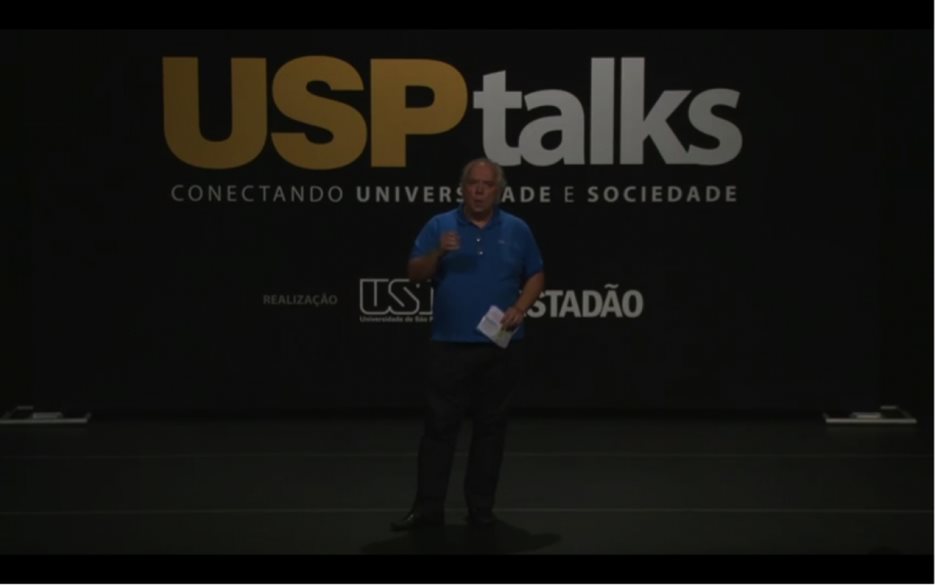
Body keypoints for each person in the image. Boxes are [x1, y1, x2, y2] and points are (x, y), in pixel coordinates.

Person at [391, 158, 545, 531]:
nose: (478, 190)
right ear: (462, 188)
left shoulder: (517, 228)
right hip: (449, 345)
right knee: (439, 429)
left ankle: (481, 509)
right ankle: (428, 509)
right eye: (472, 183)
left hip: (500, 346)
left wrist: (520, 307)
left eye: (486, 185)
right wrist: (438, 253)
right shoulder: (439, 225)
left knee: (491, 430)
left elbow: (536, 274)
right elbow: (414, 274)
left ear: (498, 191)